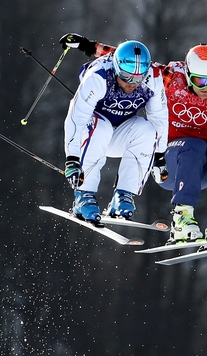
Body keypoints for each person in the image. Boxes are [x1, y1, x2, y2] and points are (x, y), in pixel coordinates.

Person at [61, 36, 207, 243]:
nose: (206, 88)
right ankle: (182, 219)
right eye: (199, 81)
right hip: (170, 164)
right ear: (187, 74)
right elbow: (130, 61)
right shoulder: (170, 79)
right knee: (192, 145)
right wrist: (88, 46)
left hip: (199, 168)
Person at [59, 35, 168, 225]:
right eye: (126, 77)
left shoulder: (154, 78)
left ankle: (123, 196)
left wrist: (160, 156)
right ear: (117, 68)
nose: (132, 83)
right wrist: (72, 159)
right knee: (101, 127)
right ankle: (84, 195)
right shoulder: (99, 76)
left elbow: (159, 117)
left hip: (121, 136)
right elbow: (77, 118)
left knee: (147, 129)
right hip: (91, 134)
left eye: (138, 78)